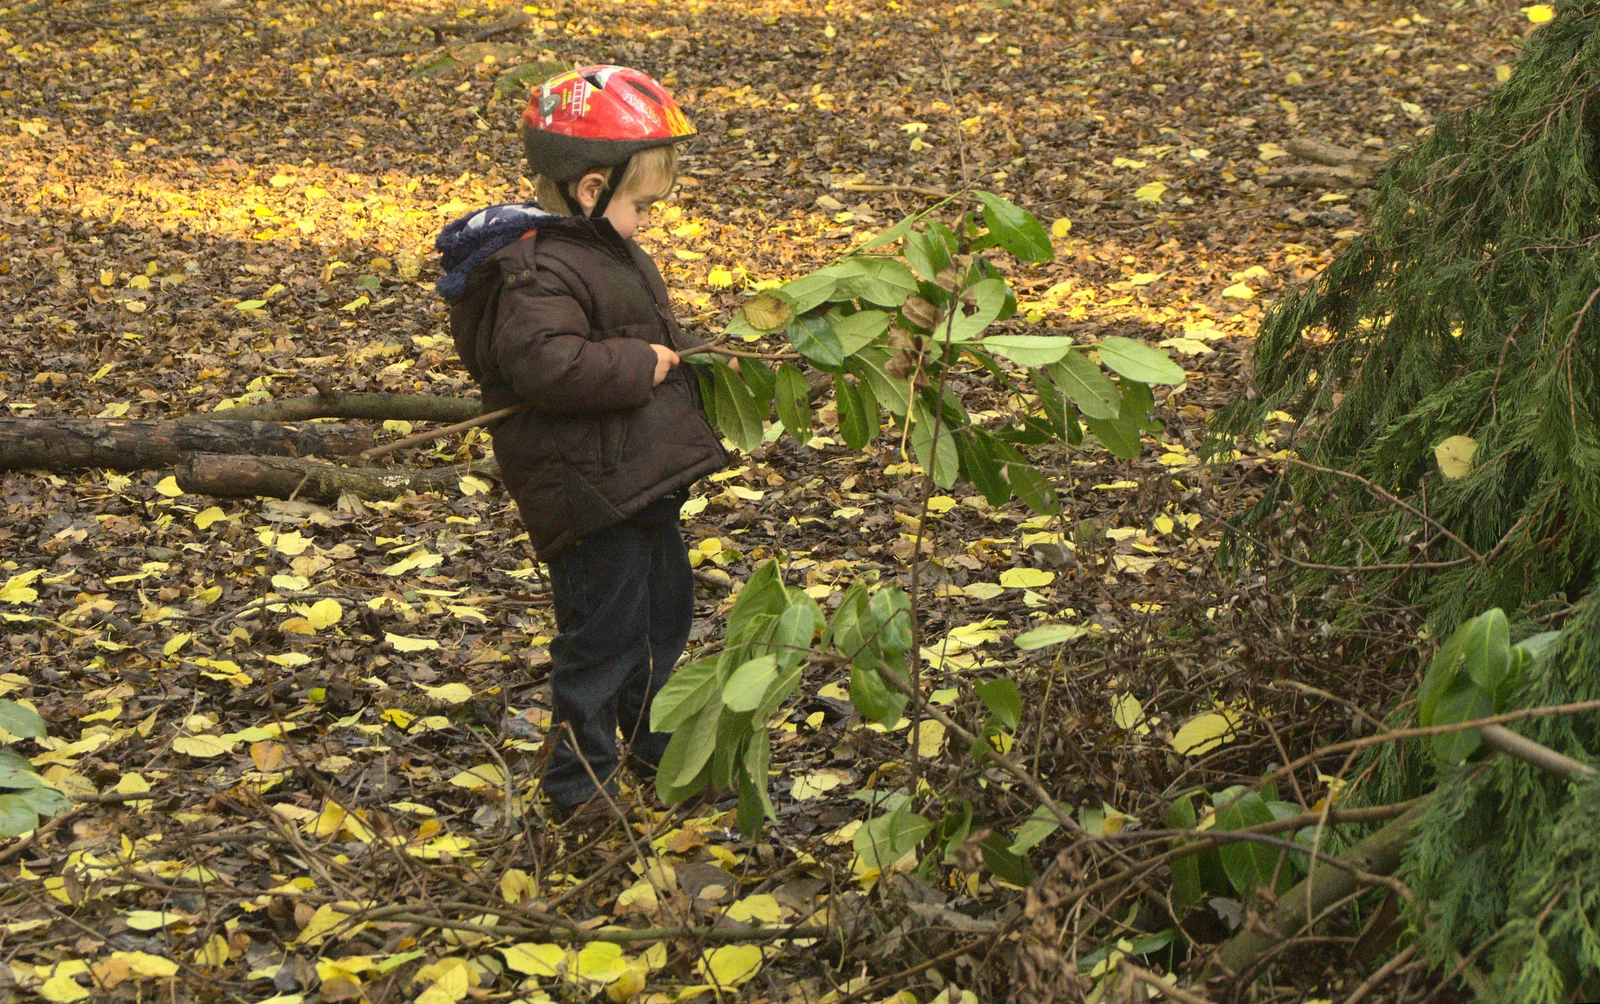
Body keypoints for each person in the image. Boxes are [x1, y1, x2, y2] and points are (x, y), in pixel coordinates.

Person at [433, 66, 727, 821]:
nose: (646, 221)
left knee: (663, 624)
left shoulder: (598, 248)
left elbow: (632, 334)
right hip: (591, 496)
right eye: (641, 205)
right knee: (602, 642)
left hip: (637, 485)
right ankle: (579, 788)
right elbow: (547, 364)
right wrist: (640, 364)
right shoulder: (535, 268)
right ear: (592, 191)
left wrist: (697, 354)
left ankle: (659, 749)